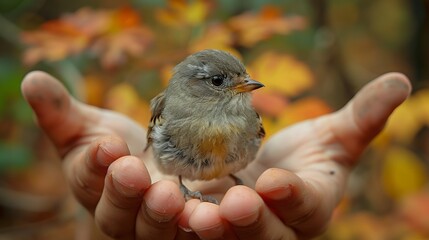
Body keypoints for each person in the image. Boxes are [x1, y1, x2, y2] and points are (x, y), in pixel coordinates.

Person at [21, 71, 411, 239]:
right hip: (176, 172)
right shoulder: (170, 110)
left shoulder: (246, 115)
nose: (244, 86)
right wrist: (177, 181)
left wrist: (246, 178)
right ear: (195, 87)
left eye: (243, 78)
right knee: (167, 196)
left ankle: (238, 184)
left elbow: (254, 134)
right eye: (222, 82)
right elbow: (154, 145)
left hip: (240, 169)